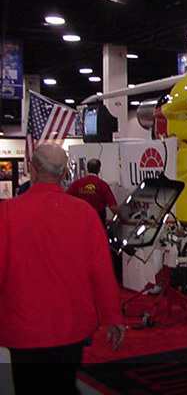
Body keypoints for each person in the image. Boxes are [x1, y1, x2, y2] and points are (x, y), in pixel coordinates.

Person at [0, 144, 125, 394]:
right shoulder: (85, 214)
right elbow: (102, 272)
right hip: (71, 327)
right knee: (64, 385)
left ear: (33, 170)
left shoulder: (7, 213)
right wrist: (113, 317)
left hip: (24, 327)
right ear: (64, 173)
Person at [67, 158, 118, 225]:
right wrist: (122, 218)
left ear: (87, 169)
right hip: (98, 221)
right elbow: (113, 207)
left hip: (81, 220)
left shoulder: (77, 184)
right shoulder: (102, 185)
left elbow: (66, 199)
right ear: (99, 169)